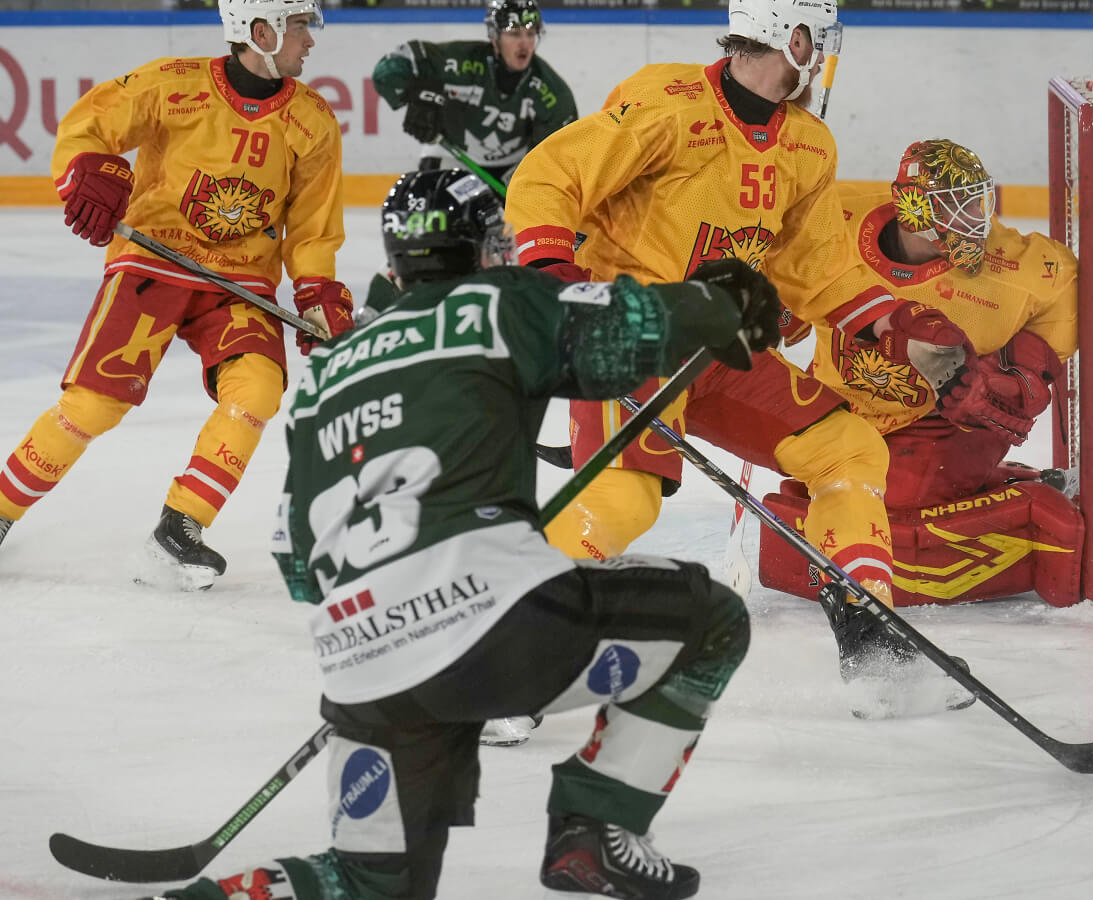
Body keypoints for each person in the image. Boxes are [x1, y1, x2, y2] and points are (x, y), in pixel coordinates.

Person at [135, 168, 781, 900]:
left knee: (369, 883)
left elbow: (295, 563)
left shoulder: (329, 371)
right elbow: (627, 332)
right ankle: (598, 828)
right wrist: (721, 302)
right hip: (492, 630)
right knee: (710, 620)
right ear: (481, 248)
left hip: (360, 670)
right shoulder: (493, 303)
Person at [504, 0, 979, 697]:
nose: (822, 55)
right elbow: (549, 177)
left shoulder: (809, 145)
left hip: (719, 352)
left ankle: (872, 638)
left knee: (848, 447)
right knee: (625, 502)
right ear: (792, 37)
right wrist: (556, 277)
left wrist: (887, 319)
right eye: (817, 40)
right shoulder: (668, 103)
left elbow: (813, 267)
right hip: (631, 335)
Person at [0, 0, 353, 590]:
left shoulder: (313, 121)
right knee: (93, 406)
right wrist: (87, 169)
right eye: (299, 28)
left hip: (240, 282)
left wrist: (317, 293)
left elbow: (314, 229)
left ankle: (181, 525)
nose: (309, 42)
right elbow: (88, 125)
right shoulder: (173, 84)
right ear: (261, 32)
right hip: (154, 262)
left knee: (260, 388)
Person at [765, 139, 1081, 607]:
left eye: (978, 202)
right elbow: (779, 254)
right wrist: (773, 297)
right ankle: (993, 481)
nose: (976, 221)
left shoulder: (1018, 266)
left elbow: (1065, 289)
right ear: (913, 208)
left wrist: (1003, 378)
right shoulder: (836, 219)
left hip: (940, 422)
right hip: (841, 400)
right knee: (829, 486)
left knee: (885, 504)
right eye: (956, 206)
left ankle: (1012, 484)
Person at [373, 0, 578, 188]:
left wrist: (536, 184)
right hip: (452, 156)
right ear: (494, 36)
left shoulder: (552, 91)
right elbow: (389, 69)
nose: (524, 43)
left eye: (531, 33)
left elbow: (560, 154)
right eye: (514, 34)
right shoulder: (461, 63)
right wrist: (418, 95)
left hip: (513, 169)